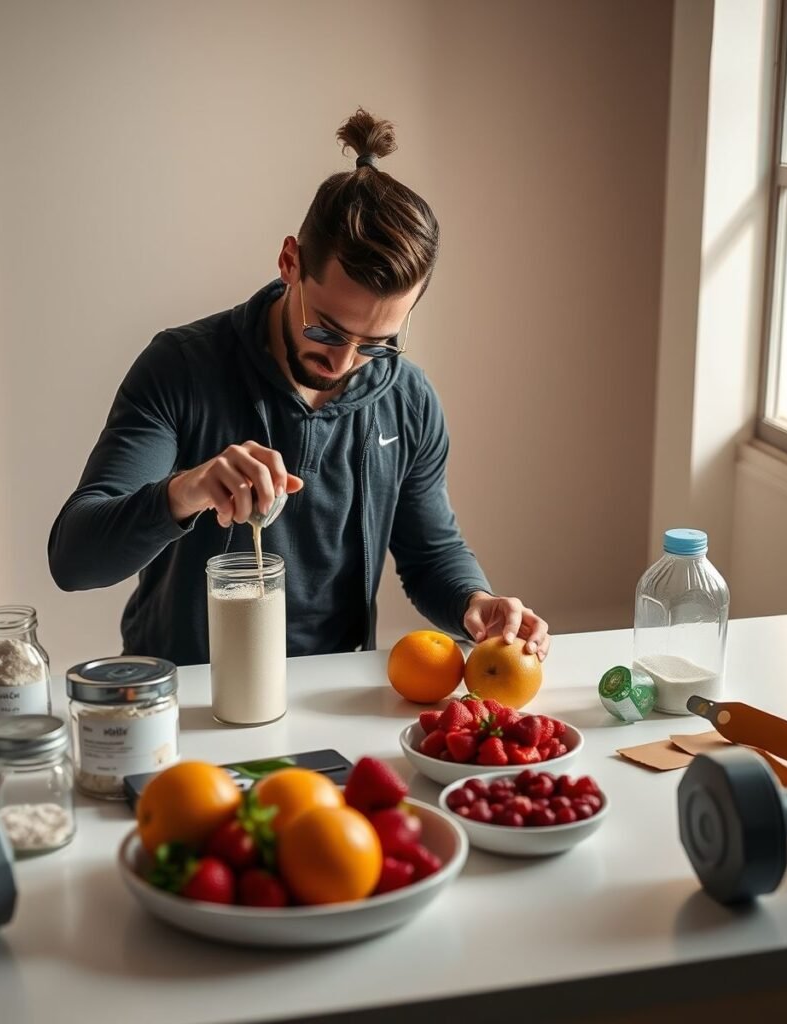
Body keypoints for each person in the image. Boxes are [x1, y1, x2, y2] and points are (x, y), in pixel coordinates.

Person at [48, 108, 550, 668]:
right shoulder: (181, 368)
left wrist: (475, 602)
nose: (343, 361)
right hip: (188, 692)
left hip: (331, 694)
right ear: (290, 262)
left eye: (376, 343)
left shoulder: (407, 400)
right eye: (326, 330)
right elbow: (75, 560)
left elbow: (431, 554)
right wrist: (186, 490)